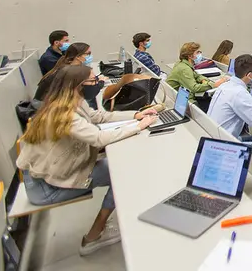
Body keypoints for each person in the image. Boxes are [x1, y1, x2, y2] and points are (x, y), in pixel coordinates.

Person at [17, 65, 158, 256]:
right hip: (45, 188)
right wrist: (139, 126)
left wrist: (135, 115)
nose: (97, 83)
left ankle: (102, 224)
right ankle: (94, 236)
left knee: (115, 167)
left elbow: (97, 116)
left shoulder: (67, 101)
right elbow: (98, 138)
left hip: (46, 175)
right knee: (122, 173)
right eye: (93, 80)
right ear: (78, 85)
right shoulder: (64, 114)